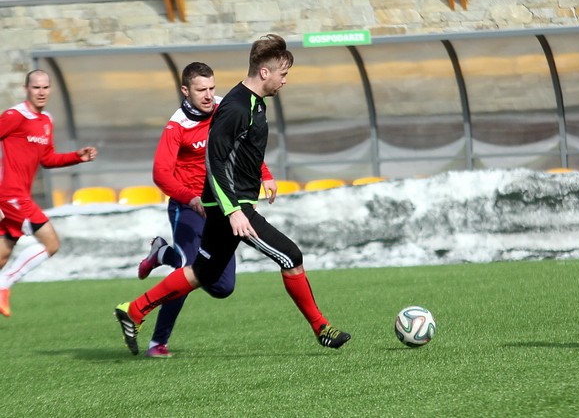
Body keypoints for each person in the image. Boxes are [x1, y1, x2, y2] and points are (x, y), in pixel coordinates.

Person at [115, 34, 351, 355]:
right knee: (290, 256)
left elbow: (243, 150)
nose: (285, 80)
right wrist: (234, 211)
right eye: (282, 73)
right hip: (231, 206)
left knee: (204, 273)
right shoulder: (237, 107)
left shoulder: (252, 102)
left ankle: (134, 310)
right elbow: (214, 161)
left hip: (227, 204)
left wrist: (264, 175)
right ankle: (321, 328)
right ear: (264, 72)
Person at [136, 61, 278, 358]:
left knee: (223, 287)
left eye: (212, 88)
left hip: (221, 205)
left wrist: (265, 174)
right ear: (185, 91)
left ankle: (161, 253)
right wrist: (190, 198)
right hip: (188, 208)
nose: (209, 95)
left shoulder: (225, 108)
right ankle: (157, 342)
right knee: (185, 270)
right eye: (201, 90)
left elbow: (245, 146)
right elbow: (161, 174)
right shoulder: (177, 126)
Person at [0, 69, 97, 317]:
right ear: (26, 89)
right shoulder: (14, 116)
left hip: (21, 194)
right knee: (51, 243)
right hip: (10, 194)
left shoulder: (46, 120)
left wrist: (76, 157)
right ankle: (4, 283)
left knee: (3, 254)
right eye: (36, 87)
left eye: (45, 87)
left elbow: (47, 159)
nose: (41, 92)